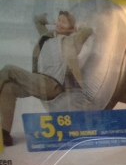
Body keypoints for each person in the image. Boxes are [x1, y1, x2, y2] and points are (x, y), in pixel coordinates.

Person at [0, 11, 91, 147]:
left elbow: (88, 30)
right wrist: (54, 20)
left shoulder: (71, 40)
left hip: (51, 85)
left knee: (8, 69)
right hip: (37, 80)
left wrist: (75, 28)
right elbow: (37, 19)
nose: (59, 24)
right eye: (58, 20)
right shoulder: (47, 36)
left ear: (70, 28)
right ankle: (4, 133)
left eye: (63, 22)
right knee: (8, 88)